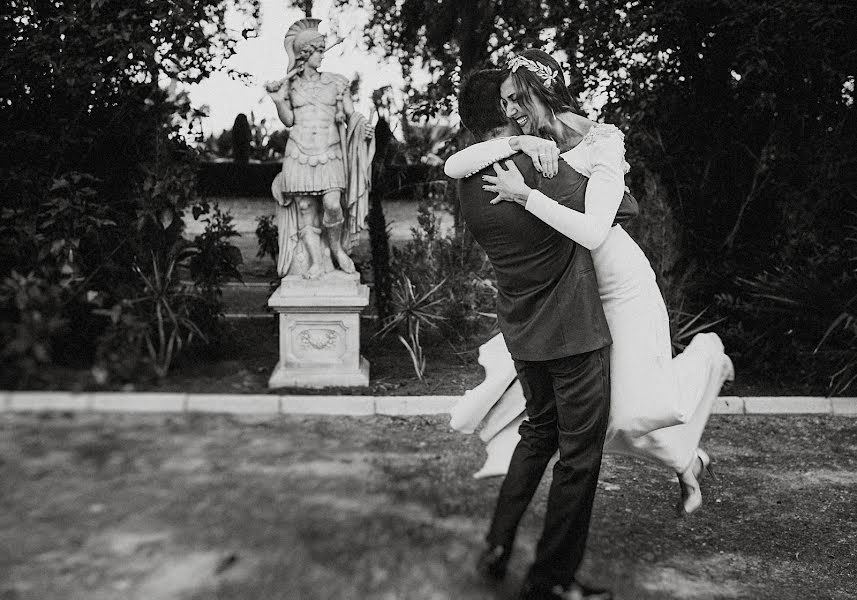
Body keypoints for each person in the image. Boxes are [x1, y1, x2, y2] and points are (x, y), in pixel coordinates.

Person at [444, 49, 735, 518]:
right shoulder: (529, 139)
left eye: (518, 100)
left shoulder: (602, 140)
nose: (511, 113)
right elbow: (455, 166)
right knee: (610, 414)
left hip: (619, 280)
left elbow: (596, 229)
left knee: (628, 410)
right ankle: (687, 462)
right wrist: (515, 146)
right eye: (505, 104)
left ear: (544, 91)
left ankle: (707, 361)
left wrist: (527, 195)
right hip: (577, 283)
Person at [454, 68, 642, 600]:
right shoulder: (541, 169)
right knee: (579, 458)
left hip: (521, 328)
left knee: (538, 434)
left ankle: (497, 544)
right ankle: (552, 580)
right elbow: (622, 207)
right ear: (507, 109)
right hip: (574, 333)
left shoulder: (468, 182)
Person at [265, 18, 375, 279]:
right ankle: (316, 261)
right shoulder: (290, 85)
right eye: (319, 50)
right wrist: (279, 101)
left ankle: (337, 250)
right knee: (305, 209)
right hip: (299, 153)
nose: (322, 56)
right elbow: (289, 120)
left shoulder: (336, 82)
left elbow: (351, 115)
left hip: (330, 152)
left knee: (332, 204)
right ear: (306, 53)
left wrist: (363, 128)